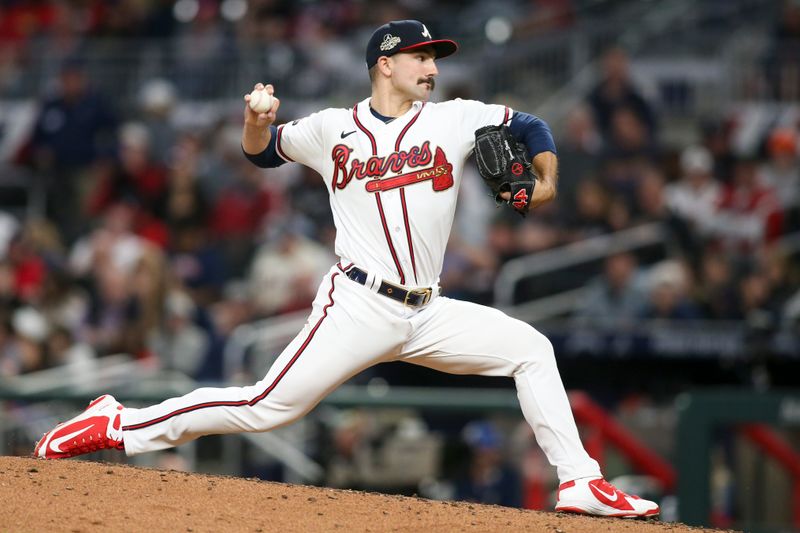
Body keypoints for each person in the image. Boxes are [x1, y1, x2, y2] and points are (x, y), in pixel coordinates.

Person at [33, 20, 658, 518]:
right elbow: (263, 154)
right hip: (359, 304)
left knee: (530, 348)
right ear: (386, 63)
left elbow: (532, 124)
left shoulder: (455, 117)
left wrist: (544, 183)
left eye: (435, 59)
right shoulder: (334, 128)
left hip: (428, 310)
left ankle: (581, 482)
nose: (433, 68)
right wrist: (255, 121)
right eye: (421, 57)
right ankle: (118, 421)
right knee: (263, 406)